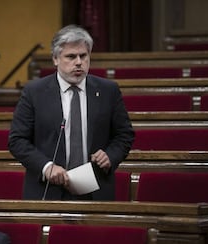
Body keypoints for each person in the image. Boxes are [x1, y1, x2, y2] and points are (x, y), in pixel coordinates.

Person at [8, 25, 134, 201]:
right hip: (47, 191)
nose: (78, 62)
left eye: (83, 56)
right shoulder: (34, 92)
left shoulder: (108, 91)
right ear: (55, 59)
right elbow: (17, 140)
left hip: (95, 190)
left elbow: (124, 134)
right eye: (71, 56)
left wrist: (110, 156)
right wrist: (46, 167)